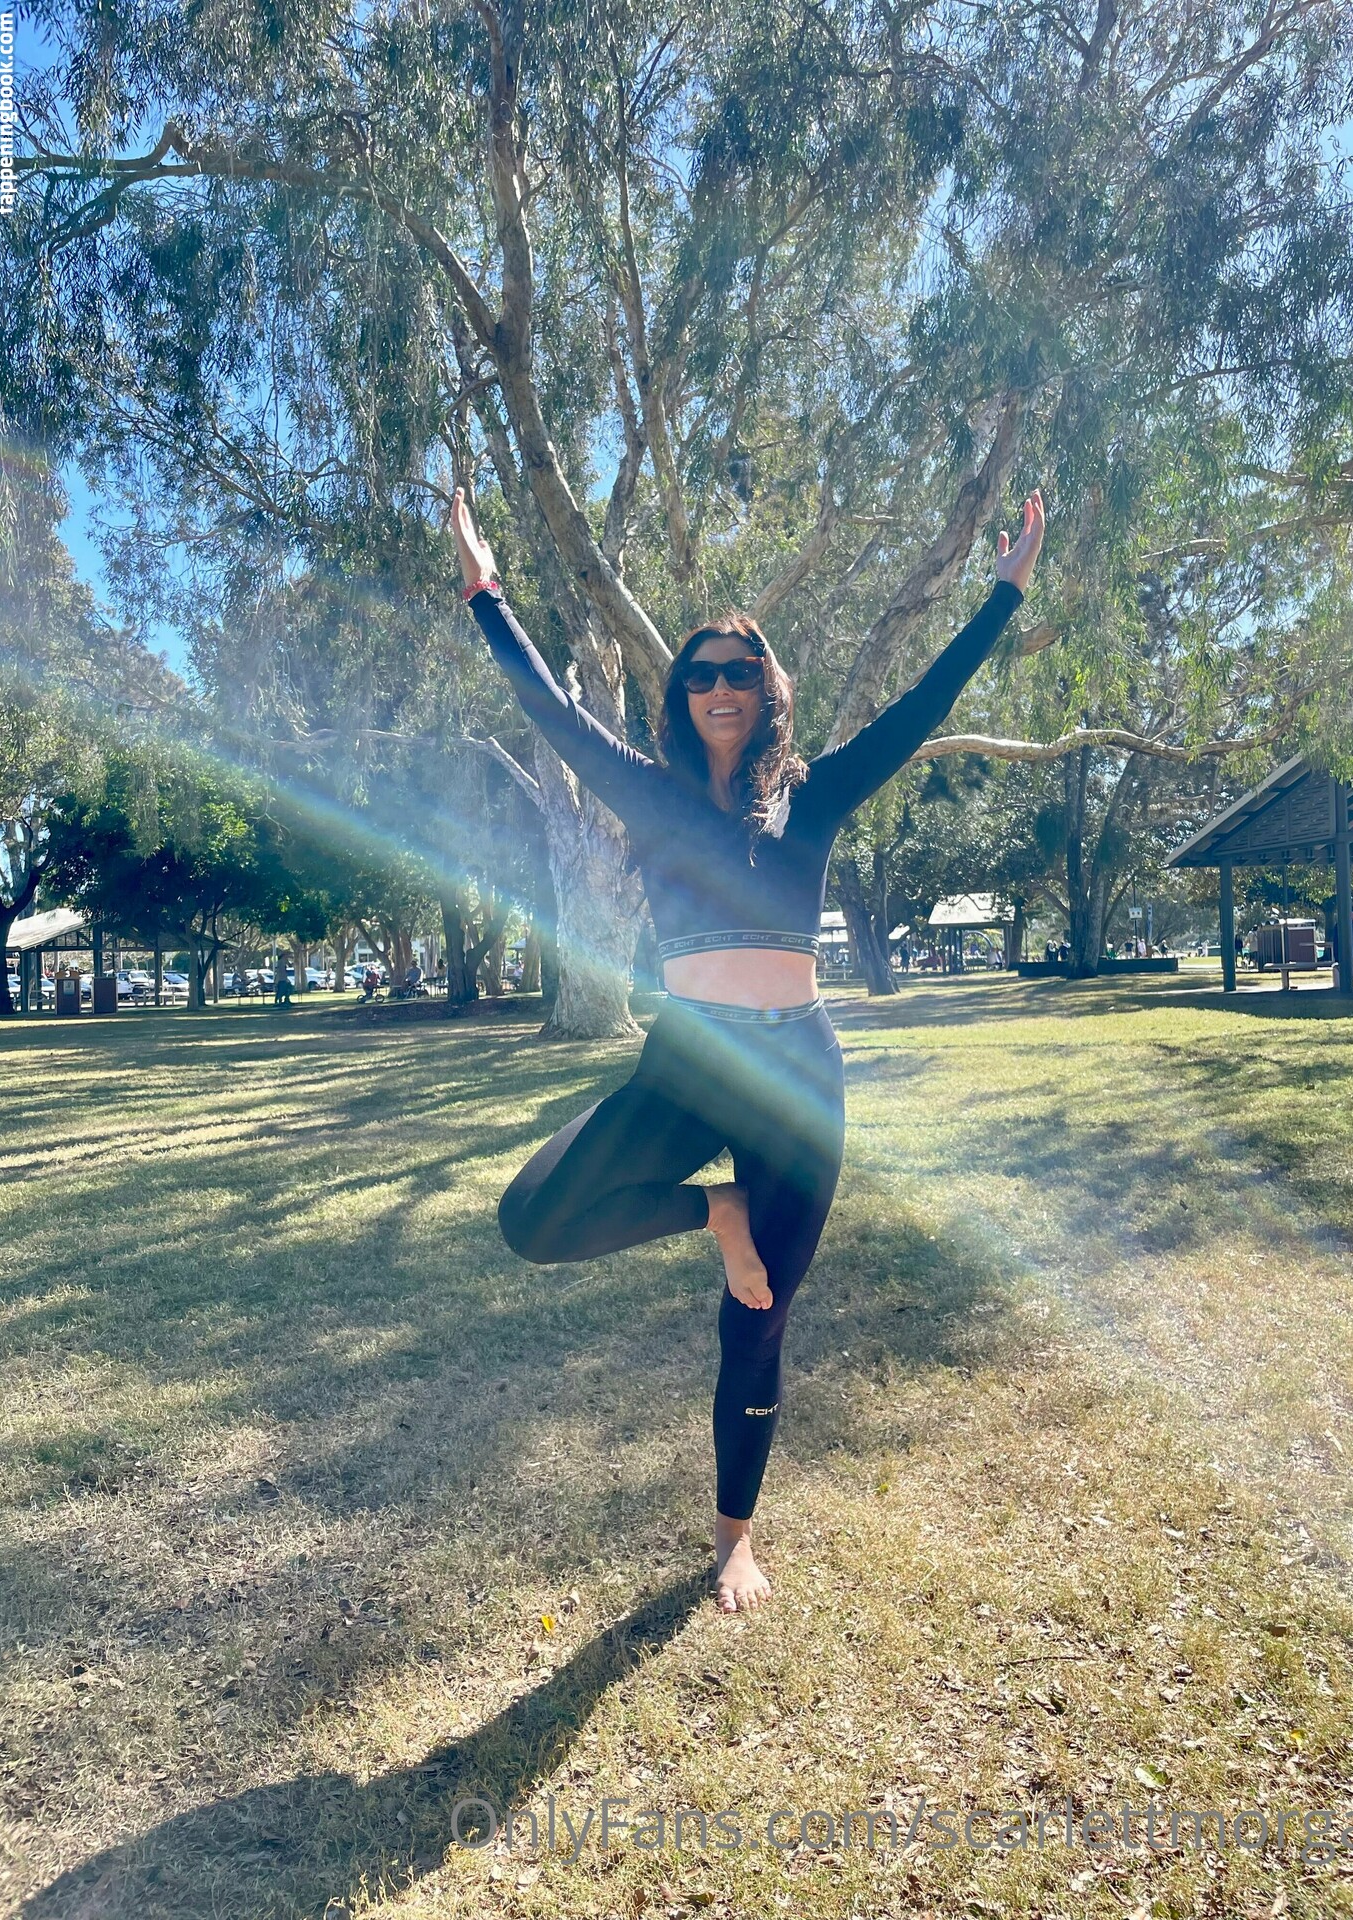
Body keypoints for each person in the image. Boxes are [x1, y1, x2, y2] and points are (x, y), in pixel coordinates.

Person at [450, 483, 1045, 1612]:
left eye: (740, 669)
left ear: (767, 690)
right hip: (688, 1066)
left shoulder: (813, 798)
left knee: (760, 1317)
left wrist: (1003, 595)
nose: (720, 686)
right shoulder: (651, 795)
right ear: (681, 696)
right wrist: (486, 589)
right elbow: (548, 710)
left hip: (796, 1078)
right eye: (700, 673)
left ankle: (734, 1537)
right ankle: (715, 1210)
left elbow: (922, 706)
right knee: (534, 1219)